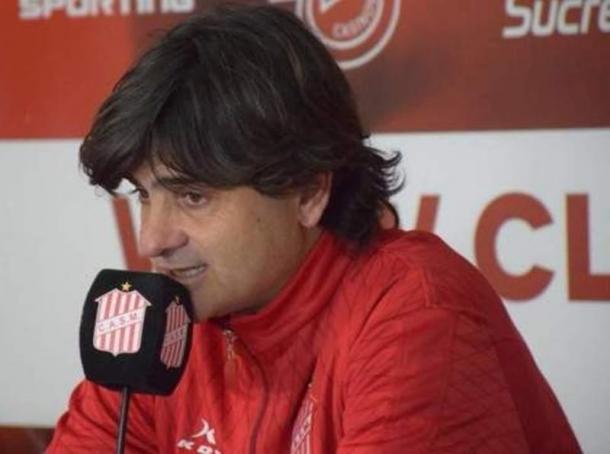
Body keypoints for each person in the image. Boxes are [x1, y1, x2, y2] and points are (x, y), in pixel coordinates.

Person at [48, 4, 581, 453]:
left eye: (193, 196)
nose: (152, 239)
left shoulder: (414, 313)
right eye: (144, 195)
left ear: (307, 191)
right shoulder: (160, 328)